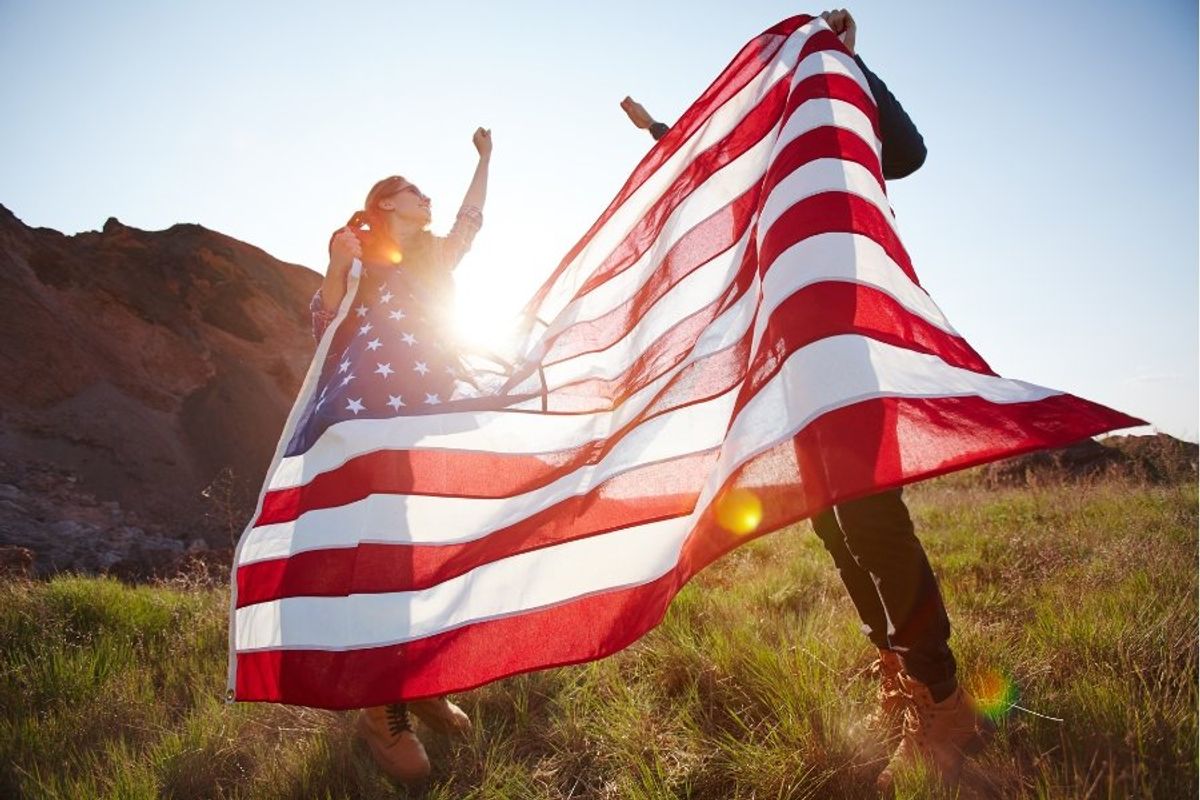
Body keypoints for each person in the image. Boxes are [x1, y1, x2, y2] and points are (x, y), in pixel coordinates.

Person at [621, 10, 993, 791]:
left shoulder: (828, 127)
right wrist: (657, 127)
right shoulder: (762, 156)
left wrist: (851, 61)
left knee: (871, 516)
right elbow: (704, 169)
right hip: (788, 351)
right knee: (831, 521)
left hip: (842, 334)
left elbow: (910, 152)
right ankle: (899, 668)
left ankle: (944, 696)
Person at [310, 127, 493, 784]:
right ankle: (381, 711)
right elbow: (325, 318)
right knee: (382, 559)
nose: (427, 197)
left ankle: (415, 680)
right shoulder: (359, 254)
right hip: (362, 424)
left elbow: (472, 221)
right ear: (388, 203)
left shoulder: (432, 262)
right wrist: (336, 266)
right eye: (414, 191)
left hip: (413, 421)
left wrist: (485, 159)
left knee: (415, 555)